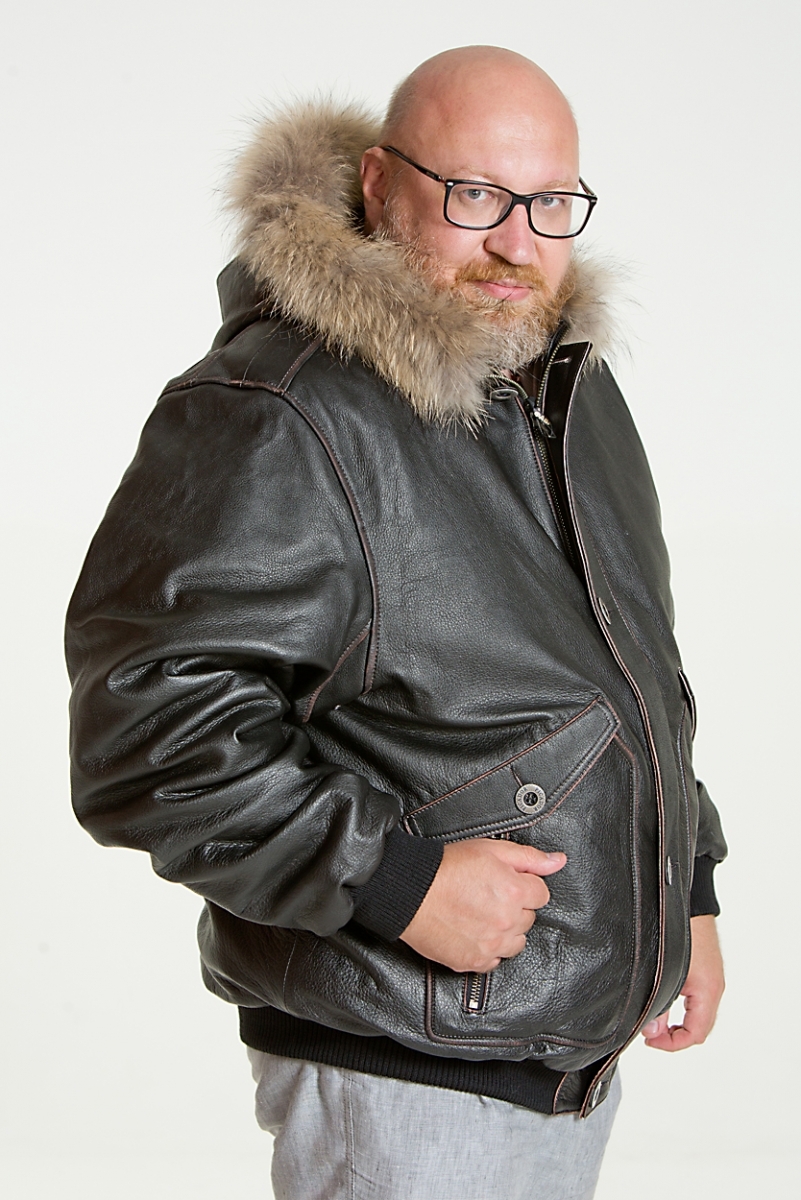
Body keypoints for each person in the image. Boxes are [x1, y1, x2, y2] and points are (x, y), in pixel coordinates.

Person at [66, 45, 727, 1200]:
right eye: (475, 196)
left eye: (551, 203)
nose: (518, 243)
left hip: (552, 1053)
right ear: (379, 186)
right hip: (402, 1066)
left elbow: (627, 669)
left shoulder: (562, 387)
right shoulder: (283, 407)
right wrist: (395, 880)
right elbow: (148, 737)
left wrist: (688, 888)